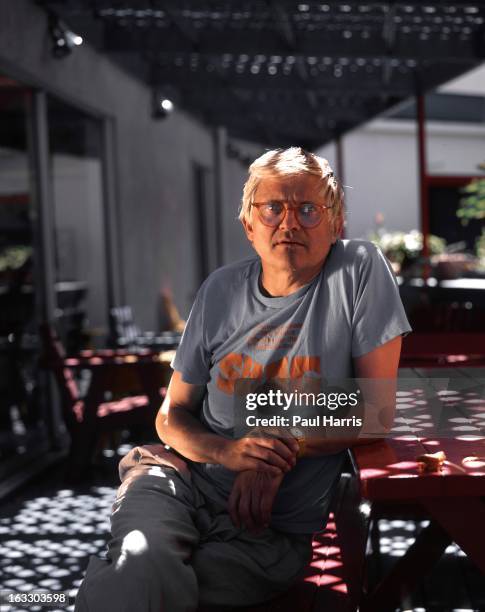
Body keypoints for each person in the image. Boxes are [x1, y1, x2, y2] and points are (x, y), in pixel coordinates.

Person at [75, 147, 411, 611]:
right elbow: (171, 415)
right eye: (272, 208)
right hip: (179, 481)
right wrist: (230, 452)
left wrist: (274, 449)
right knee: (142, 565)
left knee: (155, 594)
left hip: (266, 530)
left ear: (336, 224)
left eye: (309, 209)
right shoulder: (220, 291)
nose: (289, 223)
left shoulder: (357, 271)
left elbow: (378, 410)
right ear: (249, 225)